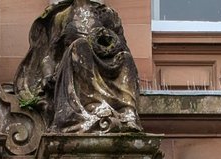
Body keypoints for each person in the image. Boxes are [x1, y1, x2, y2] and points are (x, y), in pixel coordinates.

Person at [13, 0, 141, 134]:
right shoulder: (62, 17)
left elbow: (121, 45)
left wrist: (110, 42)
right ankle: (92, 105)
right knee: (80, 45)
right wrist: (47, 74)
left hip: (104, 61)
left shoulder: (106, 14)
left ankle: (126, 110)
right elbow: (50, 55)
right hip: (74, 63)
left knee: (125, 57)